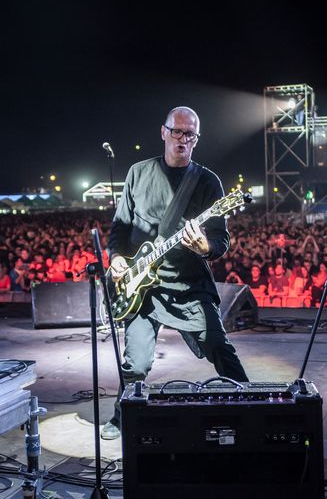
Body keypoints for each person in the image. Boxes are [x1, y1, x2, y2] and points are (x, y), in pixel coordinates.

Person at [101, 106, 249, 440]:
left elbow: (221, 240)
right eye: (177, 131)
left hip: (188, 285)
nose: (182, 139)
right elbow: (119, 227)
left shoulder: (207, 181)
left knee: (218, 346)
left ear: (196, 139)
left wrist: (205, 247)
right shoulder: (138, 173)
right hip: (142, 287)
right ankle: (122, 417)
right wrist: (116, 258)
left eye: (190, 134)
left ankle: (250, 405)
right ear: (164, 132)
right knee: (136, 364)